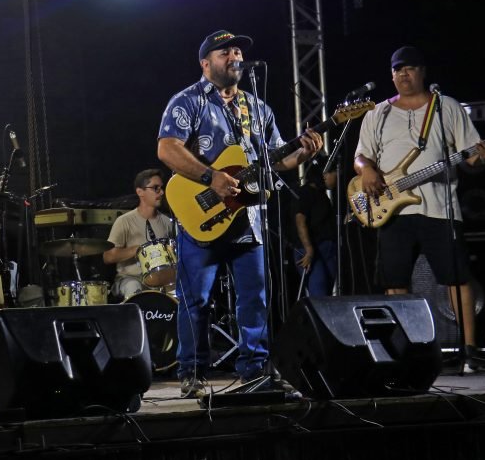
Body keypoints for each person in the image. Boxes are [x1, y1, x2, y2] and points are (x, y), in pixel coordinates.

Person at [158, 29, 323, 396]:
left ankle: (256, 371)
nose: (234, 56)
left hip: (247, 218)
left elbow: (280, 158)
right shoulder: (187, 101)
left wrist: (304, 153)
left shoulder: (257, 107)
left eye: (237, 51)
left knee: (255, 298)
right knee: (195, 300)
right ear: (206, 63)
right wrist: (209, 176)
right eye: (224, 52)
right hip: (200, 216)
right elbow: (167, 149)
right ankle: (193, 373)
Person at [353, 45, 485, 371]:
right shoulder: (378, 113)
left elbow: (470, 156)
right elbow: (361, 156)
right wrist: (367, 170)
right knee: (395, 281)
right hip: (392, 210)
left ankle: (470, 351)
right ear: (391, 74)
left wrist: (483, 157)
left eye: (410, 68)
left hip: (439, 209)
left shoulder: (446, 107)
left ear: (423, 71)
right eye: (398, 69)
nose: (404, 74)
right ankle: (402, 352)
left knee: (457, 278)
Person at [103, 168, 175, 300]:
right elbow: (108, 256)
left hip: (161, 279)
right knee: (133, 287)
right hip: (130, 279)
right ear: (140, 192)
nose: (162, 192)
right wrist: (136, 250)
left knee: (179, 292)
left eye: (162, 187)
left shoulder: (166, 222)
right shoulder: (124, 221)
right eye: (155, 188)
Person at [292, 159, 339, 298]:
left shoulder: (322, 194)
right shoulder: (306, 192)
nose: (337, 177)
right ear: (324, 174)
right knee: (319, 293)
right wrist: (309, 250)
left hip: (326, 249)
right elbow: (300, 221)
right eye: (335, 173)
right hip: (310, 250)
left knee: (327, 295)